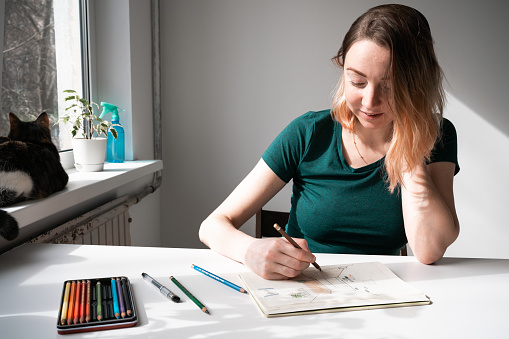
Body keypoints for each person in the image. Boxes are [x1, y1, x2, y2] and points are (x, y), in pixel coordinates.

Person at [199, 4, 460, 280]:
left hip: (380, 294)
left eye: (390, 86)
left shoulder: (437, 135)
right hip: (305, 288)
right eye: (358, 82)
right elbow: (212, 226)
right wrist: (249, 250)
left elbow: (428, 250)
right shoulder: (309, 132)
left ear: (418, 83)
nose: (370, 102)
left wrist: (410, 140)